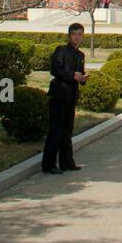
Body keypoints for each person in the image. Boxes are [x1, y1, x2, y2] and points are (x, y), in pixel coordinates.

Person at [43, 23, 88, 174]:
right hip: (59, 95)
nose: (77, 37)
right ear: (69, 35)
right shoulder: (61, 50)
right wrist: (72, 76)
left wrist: (82, 78)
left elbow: (80, 73)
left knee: (67, 132)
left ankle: (67, 162)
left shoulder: (81, 55)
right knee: (55, 131)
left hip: (71, 96)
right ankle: (49, 164)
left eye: (80, 34)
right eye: (74, 34)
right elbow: (55, 70)